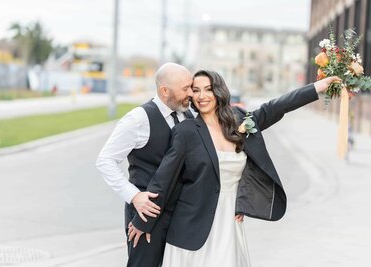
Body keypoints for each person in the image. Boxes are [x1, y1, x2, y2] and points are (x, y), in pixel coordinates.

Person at [128, 70, 341, 266]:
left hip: (230, 223)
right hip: (192, 225)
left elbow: (278, 107)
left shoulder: (239, 121)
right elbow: (164, 178)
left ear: (218, 91)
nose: (202, 96)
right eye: (196, 90)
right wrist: (142, 222)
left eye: (208, 89)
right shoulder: (186, 131)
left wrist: (318, 87)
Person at [96, 62, 194, 267]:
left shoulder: (187, 114)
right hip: (147, 214)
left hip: (180, 215)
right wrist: (133, 196)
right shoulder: (138, 119)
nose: (191, 93)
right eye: (185, 88)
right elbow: (105, 160)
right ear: (164, 90)